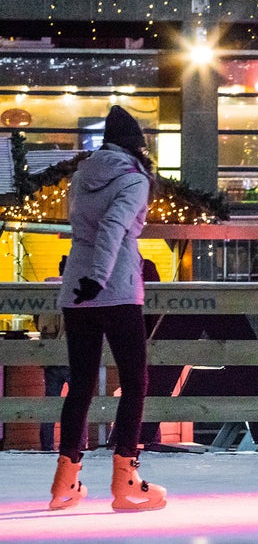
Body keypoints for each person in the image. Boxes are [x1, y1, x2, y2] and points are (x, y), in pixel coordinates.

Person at [48, 105, 167, 512]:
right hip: (113, 289)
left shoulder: (83, 174)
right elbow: (113, 227)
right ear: (136, 145)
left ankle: (65, 483)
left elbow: (84, 227)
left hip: (77, 288)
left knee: (81, 382)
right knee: (135, 381)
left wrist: (88, 278)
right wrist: (100, 277)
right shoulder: (134, 179)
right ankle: (126, 482)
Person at [37, 256, 71, 452]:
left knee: (50, 404)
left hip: (50, 357)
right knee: (77, 404)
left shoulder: (45, 291)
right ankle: (74, 444)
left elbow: (40, 324)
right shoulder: (76, 289)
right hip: (72, 357)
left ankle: (47, 445)